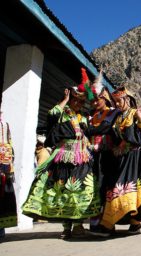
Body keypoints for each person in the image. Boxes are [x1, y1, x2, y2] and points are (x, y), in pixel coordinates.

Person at [22, 76, 101, 240]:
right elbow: (51, 113)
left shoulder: (84, 118)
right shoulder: (62, 114)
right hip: (64, 157)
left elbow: (87, 134)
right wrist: (64, 99)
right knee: (63, 191)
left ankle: (79, 225)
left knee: (81, 190)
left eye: (81, 102)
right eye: (75, 100)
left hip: (82, 158)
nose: (78, 104)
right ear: (70, 99)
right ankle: (66, 228)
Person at [93, 86, 141, 235]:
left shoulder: (137, 113)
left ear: (127, 100)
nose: (116, 105)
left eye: (119, 101)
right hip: (121, 158)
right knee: (118, 187)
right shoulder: (117, 117)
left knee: (123, 188)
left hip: (135, 158)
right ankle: (133, 224)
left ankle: (110, 225)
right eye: (115, 102)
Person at [84, 72, 120, 235]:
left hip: (109, 157)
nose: (93, 102)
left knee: (107, 188)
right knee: (96, 188)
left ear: (104, 98)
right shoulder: (93, 116)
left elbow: (104, 128)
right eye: (92, 100)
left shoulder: (113, 113)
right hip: (94, 157)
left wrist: (88, 129)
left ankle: (108, 224)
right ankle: (95, 223)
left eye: (96, 99)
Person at [0, 111, 17, 239]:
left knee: (3, 198)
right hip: (5, 165)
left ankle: (1, 231)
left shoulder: (4, 125)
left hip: (5, 167)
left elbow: (9, 146)